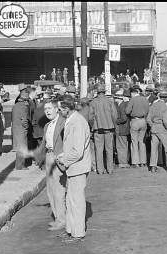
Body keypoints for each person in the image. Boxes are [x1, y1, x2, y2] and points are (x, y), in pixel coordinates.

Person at [56, 94, 91, 243]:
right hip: (74, 167)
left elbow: (78, 151)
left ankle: (78, 233)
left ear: (66, 109)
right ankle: (71, 230)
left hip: (77, 167)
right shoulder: (71, 120)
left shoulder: (77, 122)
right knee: (70, 200)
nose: (58, 112)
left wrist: (64, 159)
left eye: (59, 109)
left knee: (76, 201)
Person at [34, 99, 67, 232]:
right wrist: (39, 157)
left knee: (59, 190)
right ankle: (57, 217)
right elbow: (44, 143)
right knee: (50, 190)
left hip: (59, 157)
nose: (47, 111)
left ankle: (62, 220)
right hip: (49, 156)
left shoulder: (63, 123)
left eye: (49, 108)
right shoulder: (47, 125)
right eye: (45, 109)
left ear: (56, 109)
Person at [146, 91, 167, 173]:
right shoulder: (165, 107)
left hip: (154, 129)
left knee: (154, 149)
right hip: (163, 129)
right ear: (165, 98)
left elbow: (148, 119)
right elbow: (165, 121)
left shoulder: (153, 105)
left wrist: (153, 125)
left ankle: (153, 166)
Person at [88, 84, 117, 175]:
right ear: (104, 92)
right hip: (109, 128)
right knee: (109, 149)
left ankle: (100, 170)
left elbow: (90, 117)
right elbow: (114, 115)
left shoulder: (93, 102)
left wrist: (94, 125)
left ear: (97, 92)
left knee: (99, 150)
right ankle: (110, 169)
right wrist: (112, 123)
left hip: (97, 129)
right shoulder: (110, 101)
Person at [125, 86, 150, 168]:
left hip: (135, 121)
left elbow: (127, 111)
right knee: (142, 142)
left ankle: (136, 162)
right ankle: (143, 161)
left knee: (134, 142)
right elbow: (148, 110)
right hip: (143, 121)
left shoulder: (133, 100)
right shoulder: (145, 99)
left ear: (133, 93)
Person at [12, 83, 30, 170]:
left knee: (19, 147)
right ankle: (20, 165)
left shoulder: (16, 105)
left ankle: (19, 164)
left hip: (16, 129)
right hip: (21, 130)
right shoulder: (23, 107)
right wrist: (27, 127)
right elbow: (24, 120)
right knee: (22, 147)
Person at [115, 89, 131, 168]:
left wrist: (117, 121)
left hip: (122, 128)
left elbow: (123, 118)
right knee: (124, 145)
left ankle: (123, 162)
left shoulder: (121, 106)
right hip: (125, 128)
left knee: (121, 145)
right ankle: (124, 161)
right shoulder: (126, 104)